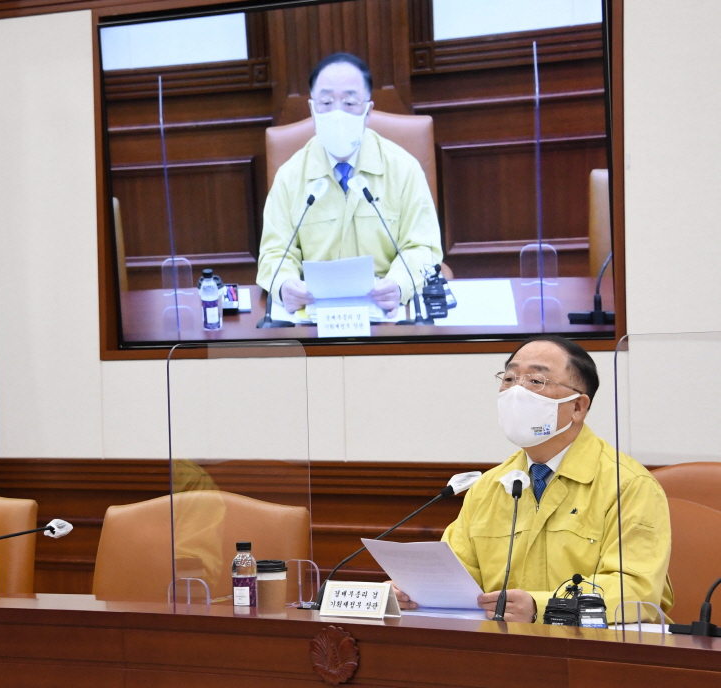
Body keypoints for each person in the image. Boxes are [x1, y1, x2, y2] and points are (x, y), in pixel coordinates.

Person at [396, 335, 673, 623]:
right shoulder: (489, 486)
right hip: (506, 651)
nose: (517, 391)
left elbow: (638, 592)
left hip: (597, 652)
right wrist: (413, 593)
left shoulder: (628, 484)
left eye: (536, 381)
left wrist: (543, 607)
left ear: (578, 407)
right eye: (509, 378)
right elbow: (456, 579)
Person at [256, 52, 443, 316]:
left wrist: (399, 284)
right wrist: (285, 284)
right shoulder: (290, 176)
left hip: (386, 309)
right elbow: (274, 253)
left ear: (368, 111)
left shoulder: (404, 168)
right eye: (326, 102)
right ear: (312, 109)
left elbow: (423, 247)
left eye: (350, 102)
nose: (337, 114)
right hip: (313, 314)